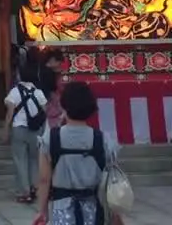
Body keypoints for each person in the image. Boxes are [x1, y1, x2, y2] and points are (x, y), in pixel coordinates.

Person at [35, 81, 118, 225]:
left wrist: (42, 211)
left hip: (62, 210)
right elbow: (112, 181)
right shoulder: (103, 140)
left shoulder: (50, 138)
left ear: (64, 105)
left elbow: (44, 179)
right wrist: (116, 214)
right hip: (93, 210)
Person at [3, 63, 49, 204]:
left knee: (20, 161)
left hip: (19, 129)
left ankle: (25, 192)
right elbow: (45, 112)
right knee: (35, 160)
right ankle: (35, 187)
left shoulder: (14, 92)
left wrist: (5, 130)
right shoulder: (39, 93)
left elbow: (10, 113)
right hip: (36, 131)